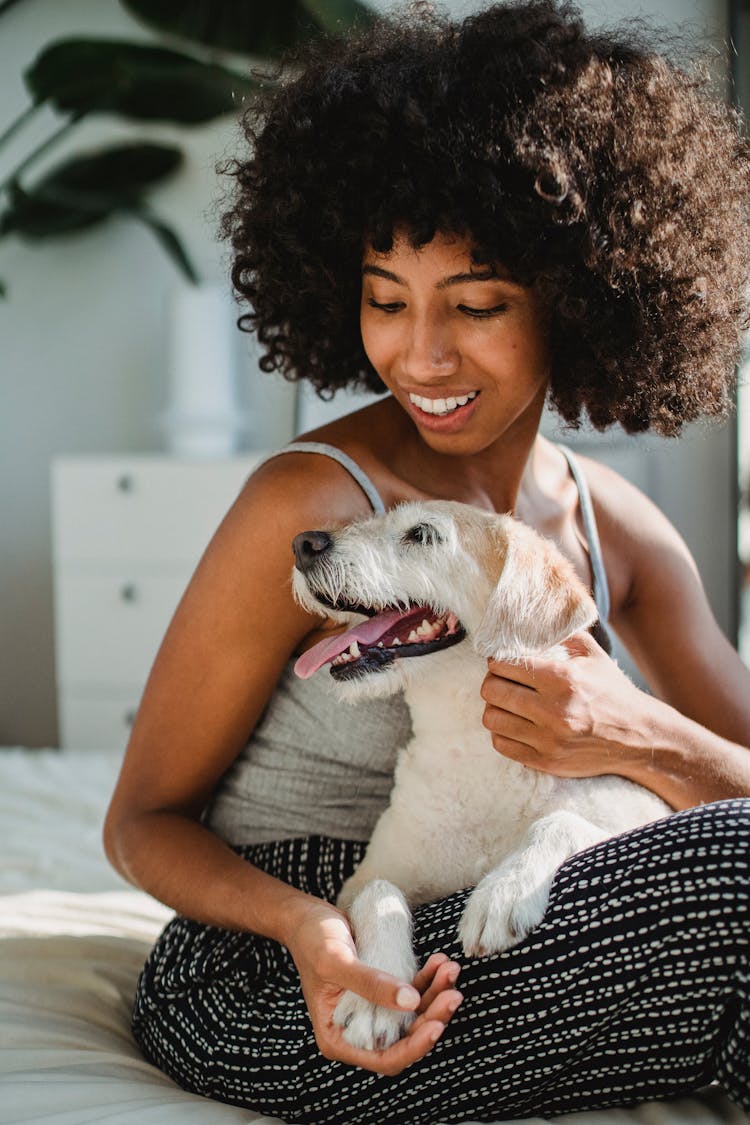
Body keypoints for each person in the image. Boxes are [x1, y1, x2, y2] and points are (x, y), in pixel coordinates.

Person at [103, 1, 750, 1122]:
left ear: (583, 292)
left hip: (503, 922)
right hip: (280, 961)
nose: (420, 353)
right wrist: (317, 930)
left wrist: (642, 736)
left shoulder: (618, 530)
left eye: (479, 303)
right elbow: (141, 822)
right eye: (383, 298)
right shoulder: (311, 506)